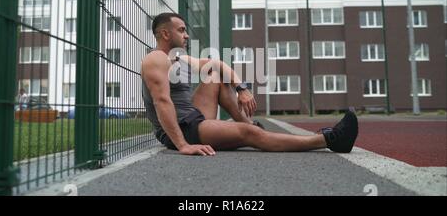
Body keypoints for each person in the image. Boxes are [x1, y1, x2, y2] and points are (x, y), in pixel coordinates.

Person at [141, 13, 358, 156]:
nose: (187, 35)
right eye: (181, 30)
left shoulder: (180, 58)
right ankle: (328, 140)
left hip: (191, 118)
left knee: (215, 75)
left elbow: (216, 64)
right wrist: (182, 145)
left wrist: (241, 88)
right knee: (250, 135)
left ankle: (248, 124)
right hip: (181, 130)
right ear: (165, 33)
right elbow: (162, 102)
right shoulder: (156, 59)